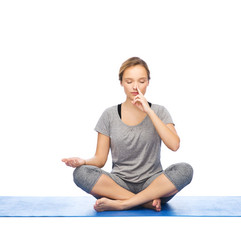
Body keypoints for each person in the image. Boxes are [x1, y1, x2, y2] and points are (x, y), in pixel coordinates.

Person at [62, 57, 193, 212]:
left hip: (154, 185)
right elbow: (100, 159)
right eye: (129, 81)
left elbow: (174, 145)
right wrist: (83, 161)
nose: (135, 87)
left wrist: (149, 111)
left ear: (148, 83)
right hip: (118, 184)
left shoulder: (159, 111)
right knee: (81, 174)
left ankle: (124, 203)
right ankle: (144, 202)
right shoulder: (109, 115)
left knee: (185, 170)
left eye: (141, 81)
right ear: (121, 83)